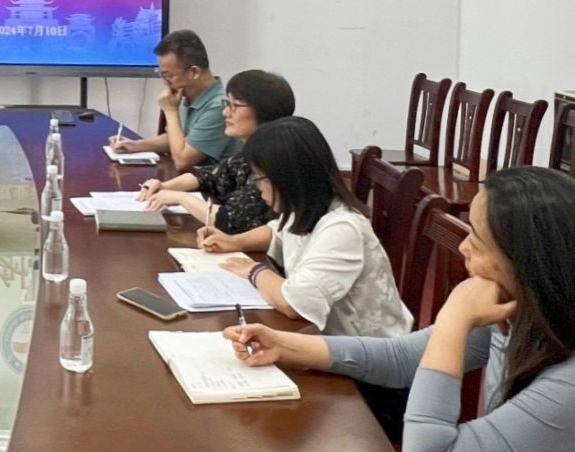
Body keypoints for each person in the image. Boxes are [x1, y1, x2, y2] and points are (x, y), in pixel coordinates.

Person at [224, 167, 575, 449]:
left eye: (478, 242)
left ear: (527, 266)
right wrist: (283, 345)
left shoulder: (567, 386)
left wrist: (453, 323)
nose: (463, 248)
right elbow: (400, 357)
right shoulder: (515, 316)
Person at [201, 116, 412, 337]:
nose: (257, 186)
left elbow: (294, 303)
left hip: (367, 349)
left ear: (287, 179)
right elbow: (278, 233)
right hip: (329, 342)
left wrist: (254, 271)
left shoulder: (342, 228)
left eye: (260, 178)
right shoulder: (305, 208)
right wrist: (234, 241)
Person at [136, 69, 295, 234]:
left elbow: (230, 220)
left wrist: (180, 197)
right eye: (227, 104)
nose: (225, 112)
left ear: (263, 110)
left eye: (235, 106)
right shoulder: (250, 152)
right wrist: (164, 186)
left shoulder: (275, 161)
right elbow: (209, 176)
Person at [108, 29, 229, 172]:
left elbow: (182, 161)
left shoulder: (219, 107)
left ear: (194, 72)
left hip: (211, 184)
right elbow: (175, 139)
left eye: (168, 75)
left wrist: (170, 111)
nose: (165, 82)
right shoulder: (187, 94)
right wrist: (136, 145)